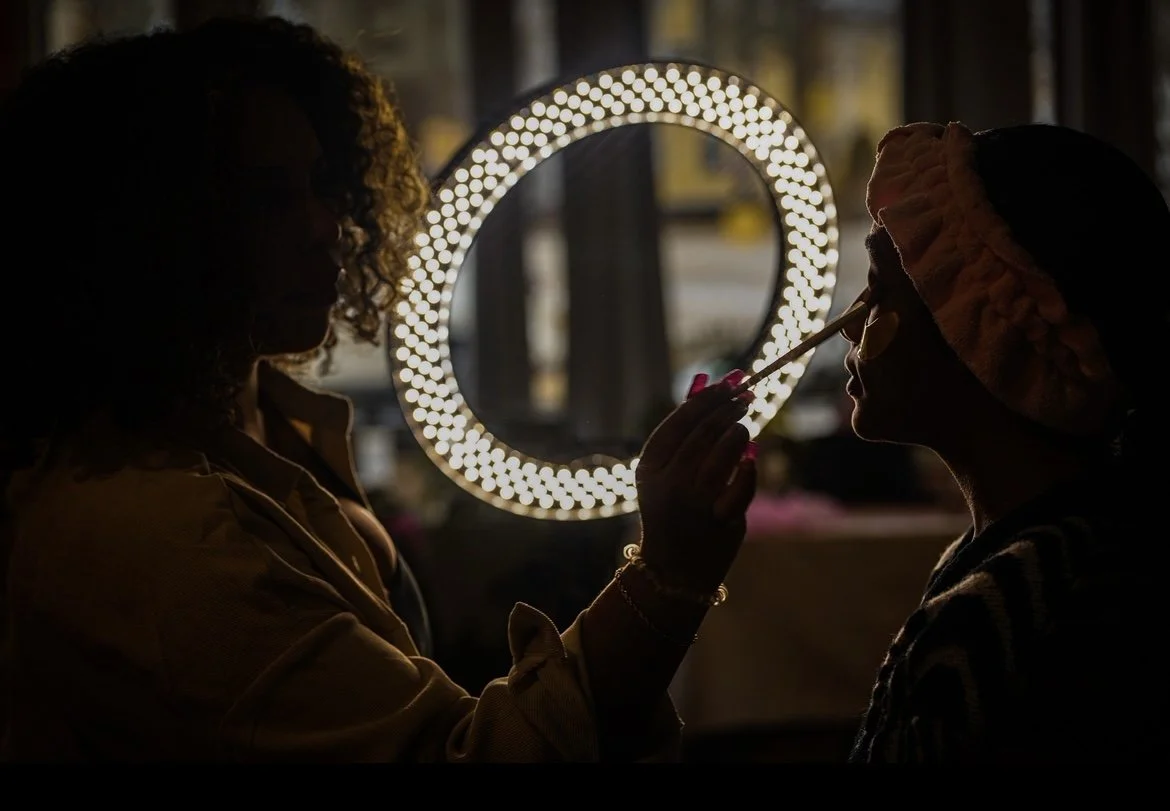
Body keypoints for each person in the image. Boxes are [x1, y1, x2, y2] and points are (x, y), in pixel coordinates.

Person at [0, 16, 758, 762]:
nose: (325, 224)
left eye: (321, 184)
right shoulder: (156, 535)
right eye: (268, 199)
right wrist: (666, 578)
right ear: (150, 236)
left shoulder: (278, 429)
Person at [839, 120, 1169, 762]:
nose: (853, 324)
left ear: (983, 331)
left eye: (879, 287)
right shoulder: (1035, 555)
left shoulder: (1006, 619)